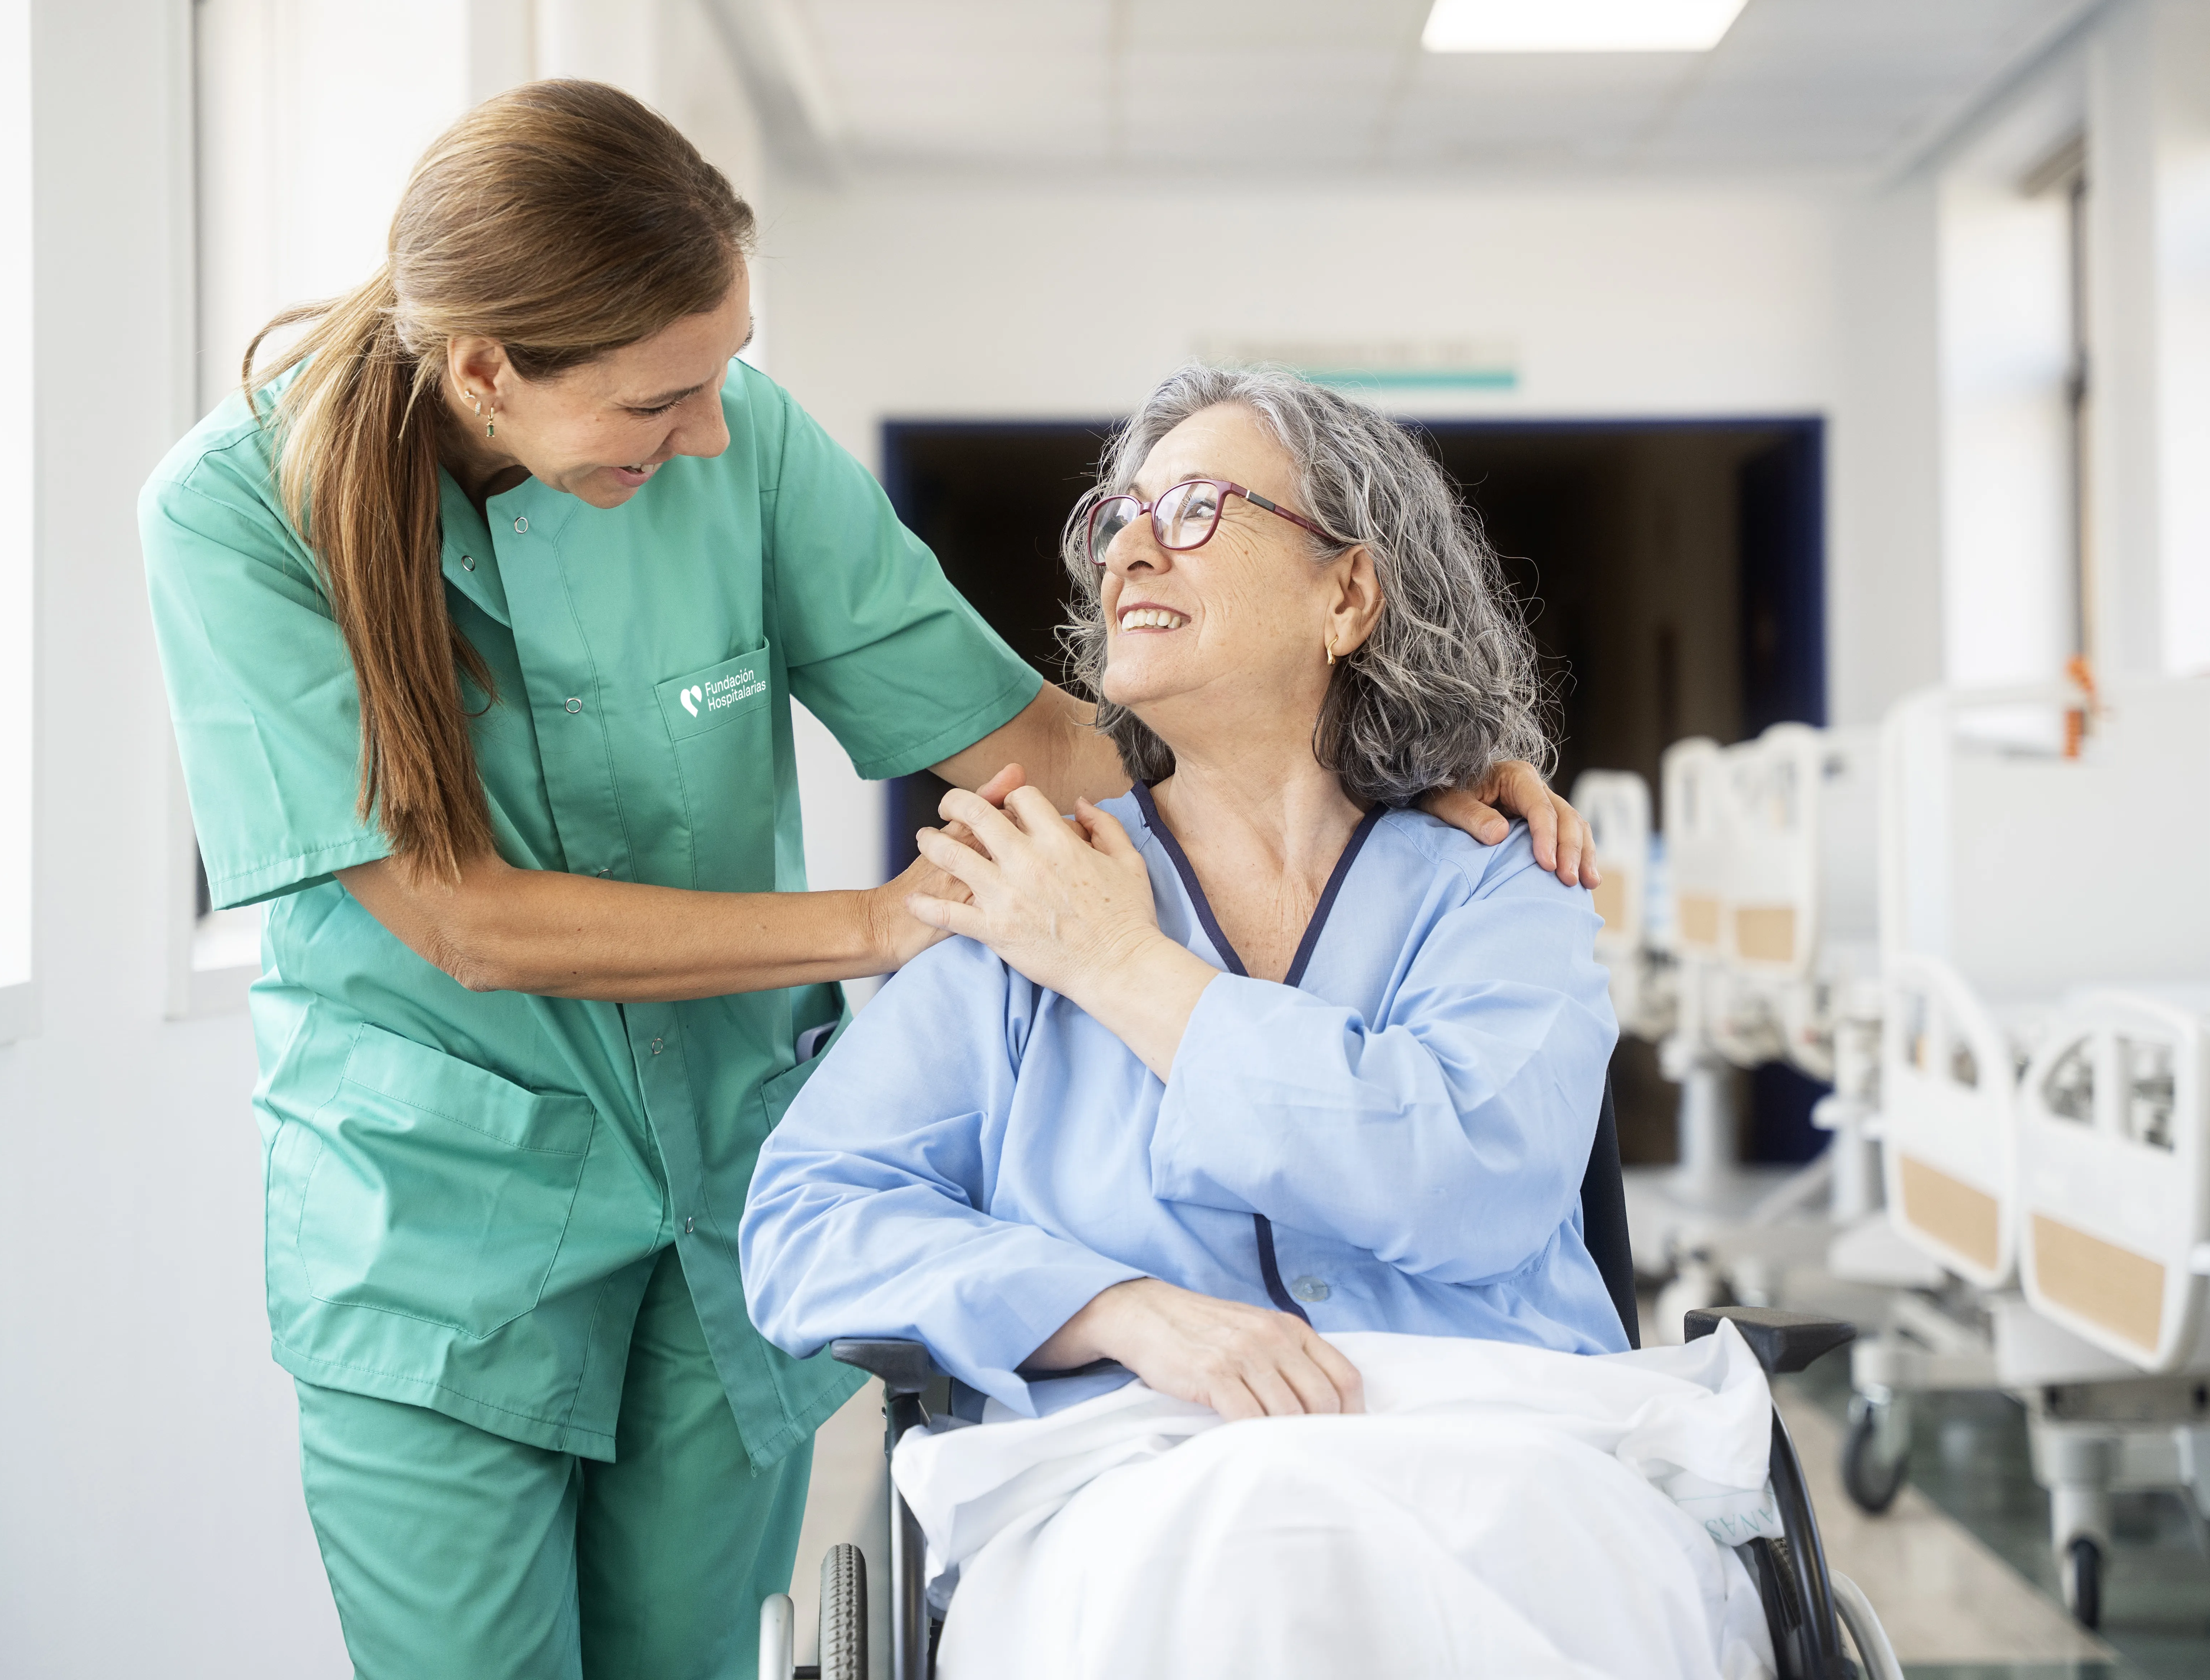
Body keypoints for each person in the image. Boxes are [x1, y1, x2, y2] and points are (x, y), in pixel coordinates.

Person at [141, 83, 1589, 1680]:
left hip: (731, 1176)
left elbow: (1025, 732)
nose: (713, 432)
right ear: (488, 371)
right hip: (440, 1224)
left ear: (1349, 589)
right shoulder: (233, 516)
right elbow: (458, 916)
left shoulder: (1473, 892)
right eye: (663, 402)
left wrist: (1401, 748)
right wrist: (903, 938)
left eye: (1197, 516)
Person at [742, 365, 1623, 1422]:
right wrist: (1115, 1309)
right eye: (1119, 520)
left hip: (1484, 1450)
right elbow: (807, 1220)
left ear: (1345, 596)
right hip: (1144, 1490)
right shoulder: (1027, 893)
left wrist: (1121, 968)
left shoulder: (1501, 884)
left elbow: (1468, 1184)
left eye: (1197, 509)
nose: (1127, 553)